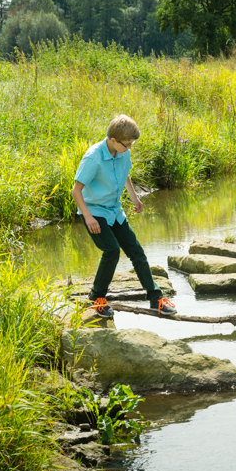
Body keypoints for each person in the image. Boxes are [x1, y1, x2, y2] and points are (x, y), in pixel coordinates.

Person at [71, 114, 176, 318]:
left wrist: (135, 199)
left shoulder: (123, 152)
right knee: (111, 251)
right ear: (113, 140)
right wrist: (88, 217)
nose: (129, 149)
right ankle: (97, 297)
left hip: (114, 210)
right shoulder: (93, 158)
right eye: (126, 145)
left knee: (136, 251)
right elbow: (76, 190)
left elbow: (124, 174)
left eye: (131, 145)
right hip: (94, 211)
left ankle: (156, 299)